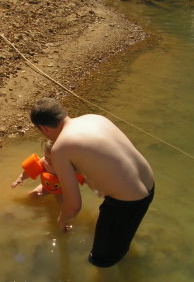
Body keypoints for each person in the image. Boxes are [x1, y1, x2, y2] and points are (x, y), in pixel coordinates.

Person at [30, 97, 155, 267]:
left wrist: (61, 221)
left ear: (44, 128)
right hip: (149, 184)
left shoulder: (60, 148)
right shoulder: (95, 118)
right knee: (119, 242)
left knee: (101, 261)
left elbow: (74, 205)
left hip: (126, 204)